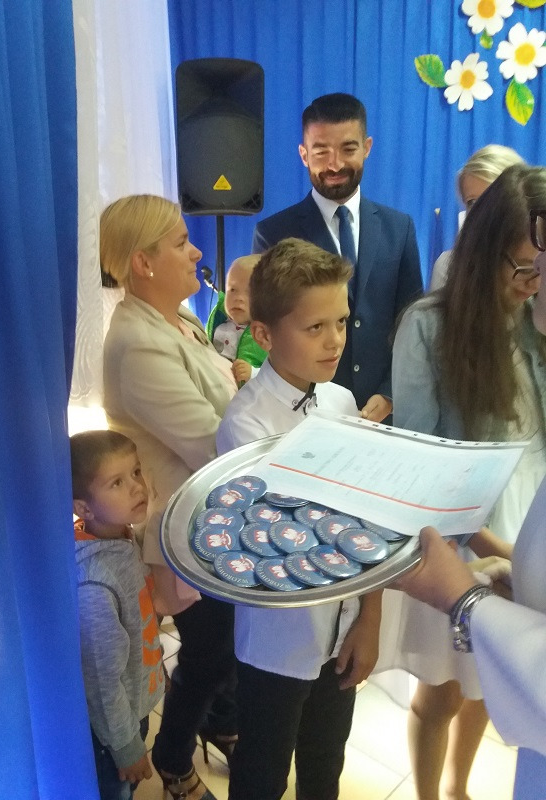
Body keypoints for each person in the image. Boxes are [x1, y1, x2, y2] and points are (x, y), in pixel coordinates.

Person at [387, 166, 546, 800]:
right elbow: (421, 463)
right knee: (444, 689)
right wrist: (481, 543)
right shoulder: (430, 326)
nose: (531, 284)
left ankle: (458, 787)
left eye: (540, 269)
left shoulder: (535, 323)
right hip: (461, 534)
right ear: (483, 253)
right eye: (523, 268)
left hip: (527, 522)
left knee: (498, 683)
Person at [217, 237, 382, 800]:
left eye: (341, 321)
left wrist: (369, 617)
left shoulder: (341, 401)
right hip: (278, 641)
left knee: (325, 762)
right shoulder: (246, 427)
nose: (335, 340)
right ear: (264, 335)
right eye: (315, 327)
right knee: (262, 771)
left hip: (344, 625)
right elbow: (285, 544)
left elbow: (367, 523)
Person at [101, 195, 239, 800]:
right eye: (182, 242)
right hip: (181, 528)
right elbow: (213, 442)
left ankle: (219, 723)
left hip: (213, 514)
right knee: (212, 650)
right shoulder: (139, 344)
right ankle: (174, 756)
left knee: (224, 644)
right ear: (143, 262)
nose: (196, 251)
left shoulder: (176, 318)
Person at [252, 92, 422, 419]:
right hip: (307, 414)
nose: (335, 164)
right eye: (321, 151)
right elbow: (271, 331)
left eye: (348, 149)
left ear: (367, 147)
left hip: (386, 414)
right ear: (304, 154)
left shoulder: (399, 228)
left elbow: (411, 323)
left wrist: (390, 392)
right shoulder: (273, 234)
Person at [71, 430, 165, 800]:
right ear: (84, 509)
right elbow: (101, 679)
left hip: (133, 705)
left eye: (136, 472)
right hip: (112, 732)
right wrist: (126, 747)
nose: (137, 487)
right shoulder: (94, 584)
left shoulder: (121, 536)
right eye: (117, 482)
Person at [429, 145, 525, 291]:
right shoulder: (449, 267)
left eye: (493, 200)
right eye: (472, 203)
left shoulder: (540, 264)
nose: (482, 212)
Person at [206, 254, 266, 384]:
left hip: (245, 393)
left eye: (249, 292)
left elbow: (278, 374)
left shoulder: (266, 334)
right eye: (232, 289)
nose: (238, 298)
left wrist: (253, 373)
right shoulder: (217, 322)